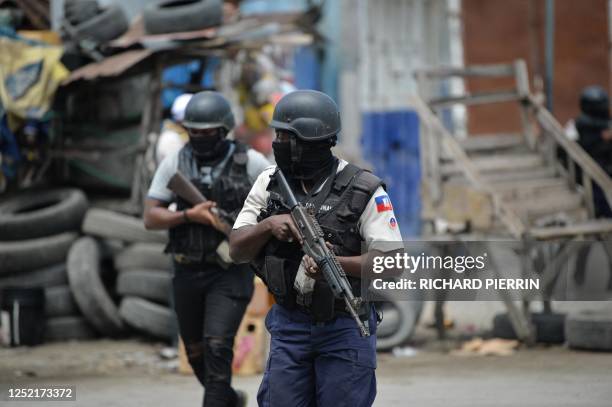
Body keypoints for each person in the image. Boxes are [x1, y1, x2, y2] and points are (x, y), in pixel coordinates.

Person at [229, 90, 403, 406]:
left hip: (346, 325)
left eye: (288, 136)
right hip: (290, 322)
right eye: (278, 134)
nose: (278, 142)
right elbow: (237, 249)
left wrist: (334, 264)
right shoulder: (269, 182)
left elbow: (392, 265)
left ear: (315, 142)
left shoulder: (364, 189)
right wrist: (270, 225)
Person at [143, 91, 270, 407]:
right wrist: (189, 215)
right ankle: (229, 399)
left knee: (217, 345)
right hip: (186, 269)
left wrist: (245, 227)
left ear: (223, 129)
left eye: (207, 132)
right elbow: (151, 216)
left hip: (230, 271)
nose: (199, 138)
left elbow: (276, 204)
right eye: (194, 132)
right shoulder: (175, 162)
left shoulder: (251, 162)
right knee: (197, 352)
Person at [575, 85, 611, 218]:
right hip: (591, 167)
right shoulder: (582, 123)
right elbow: (588, 143)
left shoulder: (606, 122)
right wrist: (602, 136)